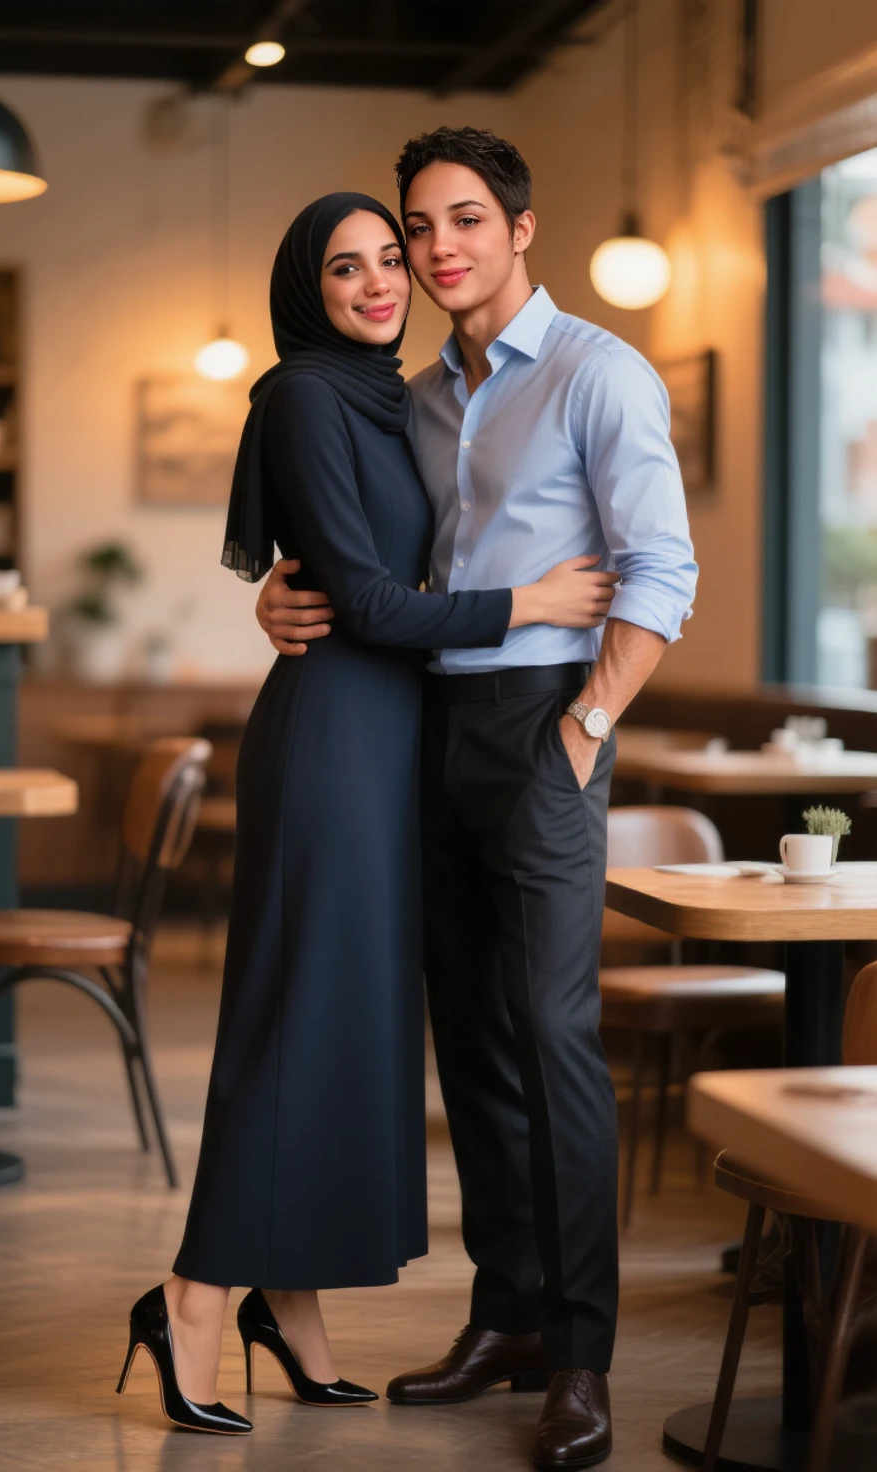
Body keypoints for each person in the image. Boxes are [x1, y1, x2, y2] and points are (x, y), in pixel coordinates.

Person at [116, 190, 619, 1438]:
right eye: (347, 267)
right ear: (307, 285)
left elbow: (388, 567)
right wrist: (533, 601)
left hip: (400, 745)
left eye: (390, 259)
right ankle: (190, 1294)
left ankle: (292, 1302)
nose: (380, 281)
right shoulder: (297, 392)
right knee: (292, 1022)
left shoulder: (405, 396)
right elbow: (380, 604)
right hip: (334, 743)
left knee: (353, 1031)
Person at [255, 129, 699, 1469]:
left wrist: (586, 725)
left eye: (460, 222)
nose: (436, 249)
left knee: (551, 1042)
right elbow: (372, 562)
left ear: (519, 230)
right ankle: (502, 1315)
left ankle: (578, 1357)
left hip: (542, 722)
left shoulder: (596, 373)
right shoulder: (417, 394)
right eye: (415, 229)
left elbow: (659, 575)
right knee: (472, 1044)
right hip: (418, 725)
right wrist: (276, 595)